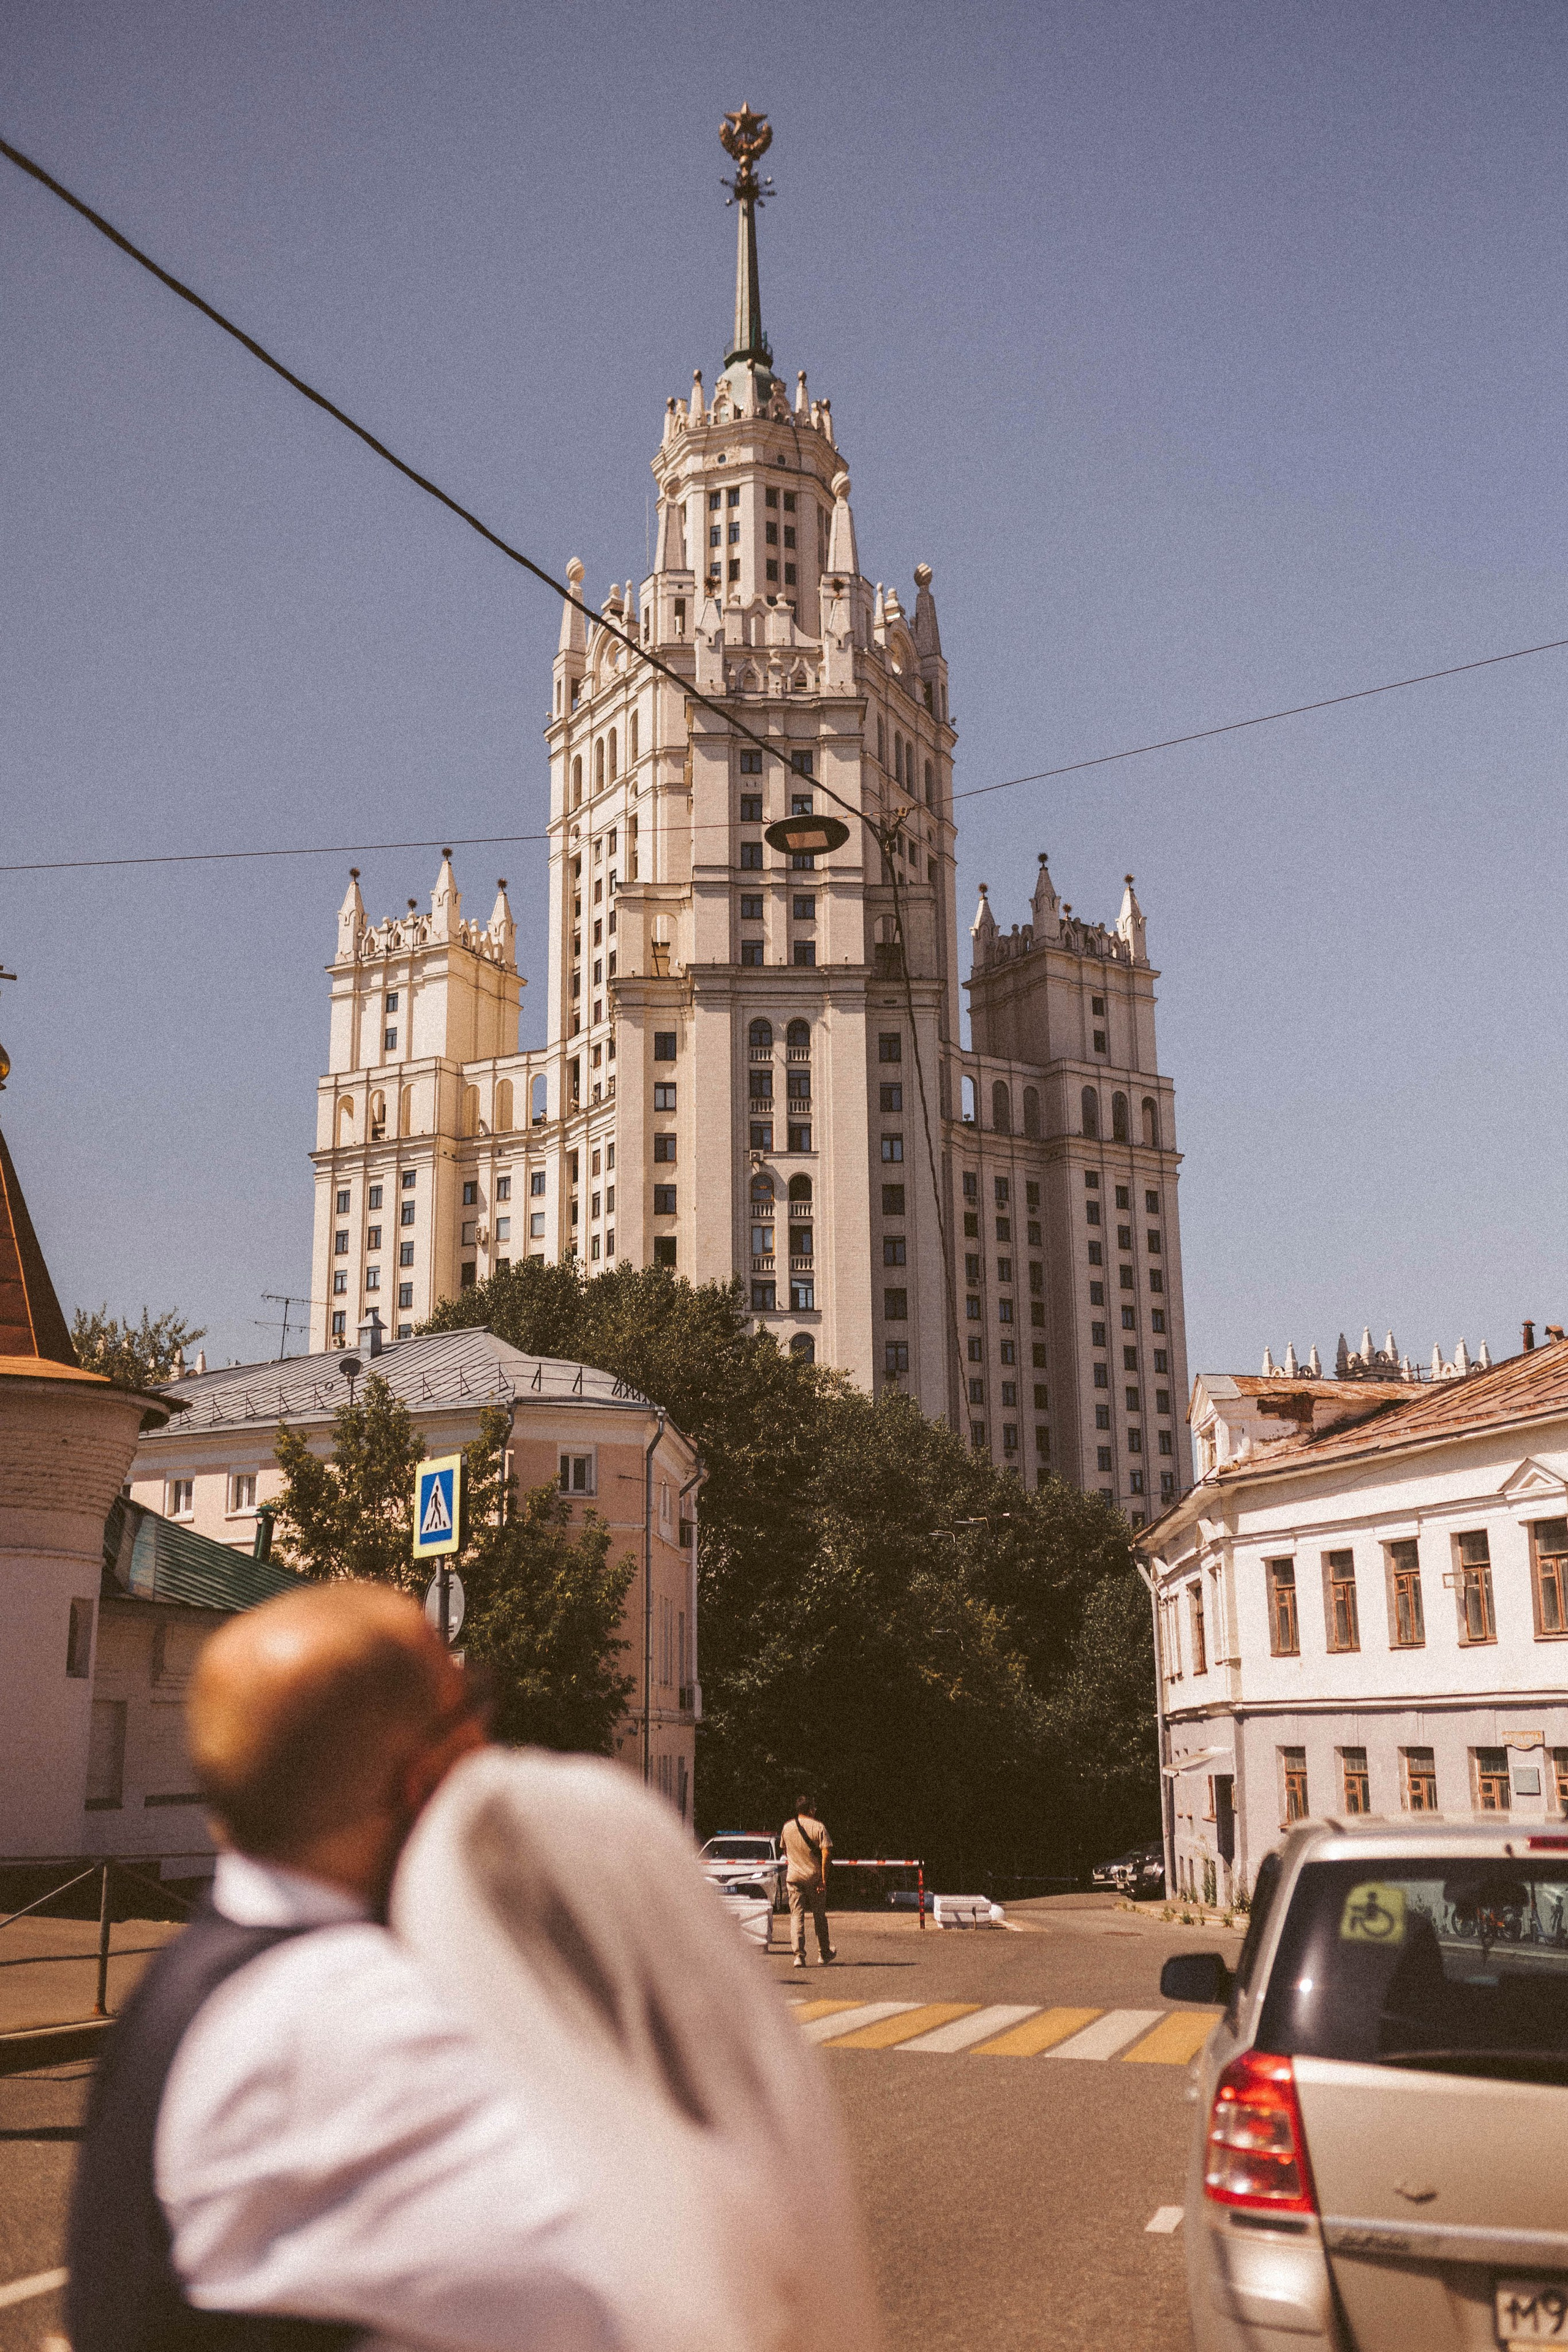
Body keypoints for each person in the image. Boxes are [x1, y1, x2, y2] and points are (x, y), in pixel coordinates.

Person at [65, 1581, 629, 2352]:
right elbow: (624, 2306)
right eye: (473, 1714)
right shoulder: (350, 2016)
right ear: (421, 1778)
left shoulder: (197, 1977)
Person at [780, 1796, 835, 1968]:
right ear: (810, 1809)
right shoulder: (819, 1827)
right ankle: (824, 1953)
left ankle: (798, 1956)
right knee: (819, 1916)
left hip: (794, 1878)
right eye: (814, 1807)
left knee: (797, 1915)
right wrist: (824, 1879)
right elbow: (826, 1854)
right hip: (814, 1878)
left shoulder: (787, 1827)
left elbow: (785, 1850)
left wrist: (796, 1864)